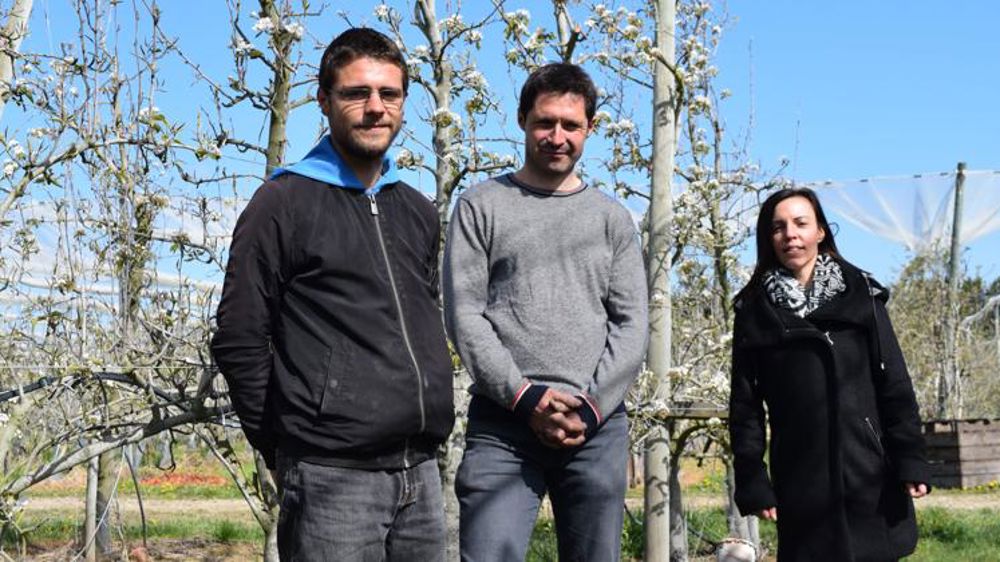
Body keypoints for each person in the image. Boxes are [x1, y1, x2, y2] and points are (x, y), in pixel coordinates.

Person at [211, 28, 454, 562]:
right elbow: (239, 336)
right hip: (332, 480)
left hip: (421, 474)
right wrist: (282, 446)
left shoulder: (416, 210)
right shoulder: (282, 203)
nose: (375, 108)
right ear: (324, 101)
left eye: (389, 95)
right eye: (355, 93)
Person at [443, 62, 649, 562]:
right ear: (522, 121)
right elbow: (464, 315)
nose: (557, 136)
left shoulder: (612, 219)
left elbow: (632, 323)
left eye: (571, 125)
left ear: (590, 129)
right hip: (504, 422)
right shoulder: (480, 206)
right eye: (545, 122)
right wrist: (524, 396)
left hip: (595, 426)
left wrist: (591, 405)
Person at [729, 187, 931, 561]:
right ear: (768, 238)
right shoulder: (753, 312)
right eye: (778, 227)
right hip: (801, 475)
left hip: (868, 469)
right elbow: (745, 408)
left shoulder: (863, 297)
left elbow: (895, 384)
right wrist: (753, 479)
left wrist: (911, 458)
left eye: (801, 223)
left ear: (820, 231)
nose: (790, 234)